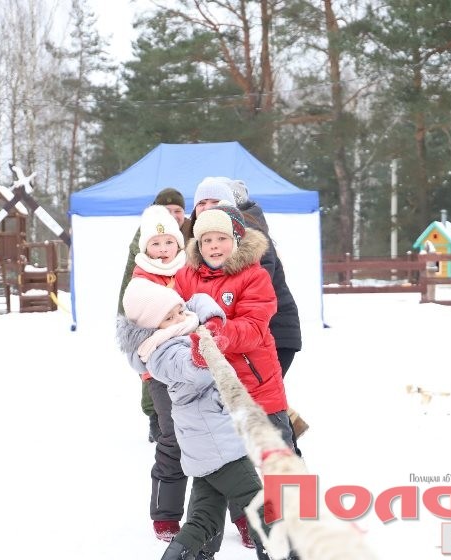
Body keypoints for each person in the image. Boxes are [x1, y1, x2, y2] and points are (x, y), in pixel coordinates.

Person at [116, 278, 272, 560]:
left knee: (205, 519)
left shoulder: (183, 326)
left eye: (178, 310)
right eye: (168, 317)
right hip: (217, 443)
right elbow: (191, 368)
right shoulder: (160, 351)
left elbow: (198, 300)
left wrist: (210, 322)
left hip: (210, 443)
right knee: (259, 503)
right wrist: (203, 349)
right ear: (152, 326)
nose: (179, 317)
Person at [174, 201, 298, 555]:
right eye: (206, 240)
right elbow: (171, 318)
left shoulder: (254, 276)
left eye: (221, 239)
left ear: (236, 240)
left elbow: (255, 328)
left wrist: (218, 333)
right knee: (213, 477)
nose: (214, 246)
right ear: (198, 245)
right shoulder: (185, 277)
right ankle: (201, 549)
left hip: (258, 392)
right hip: (210, 396)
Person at [126, 204, 191, 542]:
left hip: (197, 365)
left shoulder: (190, 270)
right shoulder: (140, 281)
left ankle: (228, 512)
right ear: (145, 247)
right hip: (161, 371)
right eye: (156, 244)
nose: (163, 250)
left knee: (214, 435)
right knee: (172, 436)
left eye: (169, 243)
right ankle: (165, 514)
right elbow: (136, 331)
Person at [228, 179, 306, 439]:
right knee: (262, 402)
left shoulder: (248, 232)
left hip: (275, 334)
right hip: (269, 335)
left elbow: (256, 288)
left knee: (262, 406)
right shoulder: (243, 227)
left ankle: (287, 453)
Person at [117, 187, 192, 444]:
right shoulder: (144, 254)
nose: (173, 215)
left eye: (177, 210)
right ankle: (157, 422)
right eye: (167, 210)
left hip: (186, 343)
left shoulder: (193, 238)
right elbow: (131, 289)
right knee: (162, 400)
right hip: (156, 341)